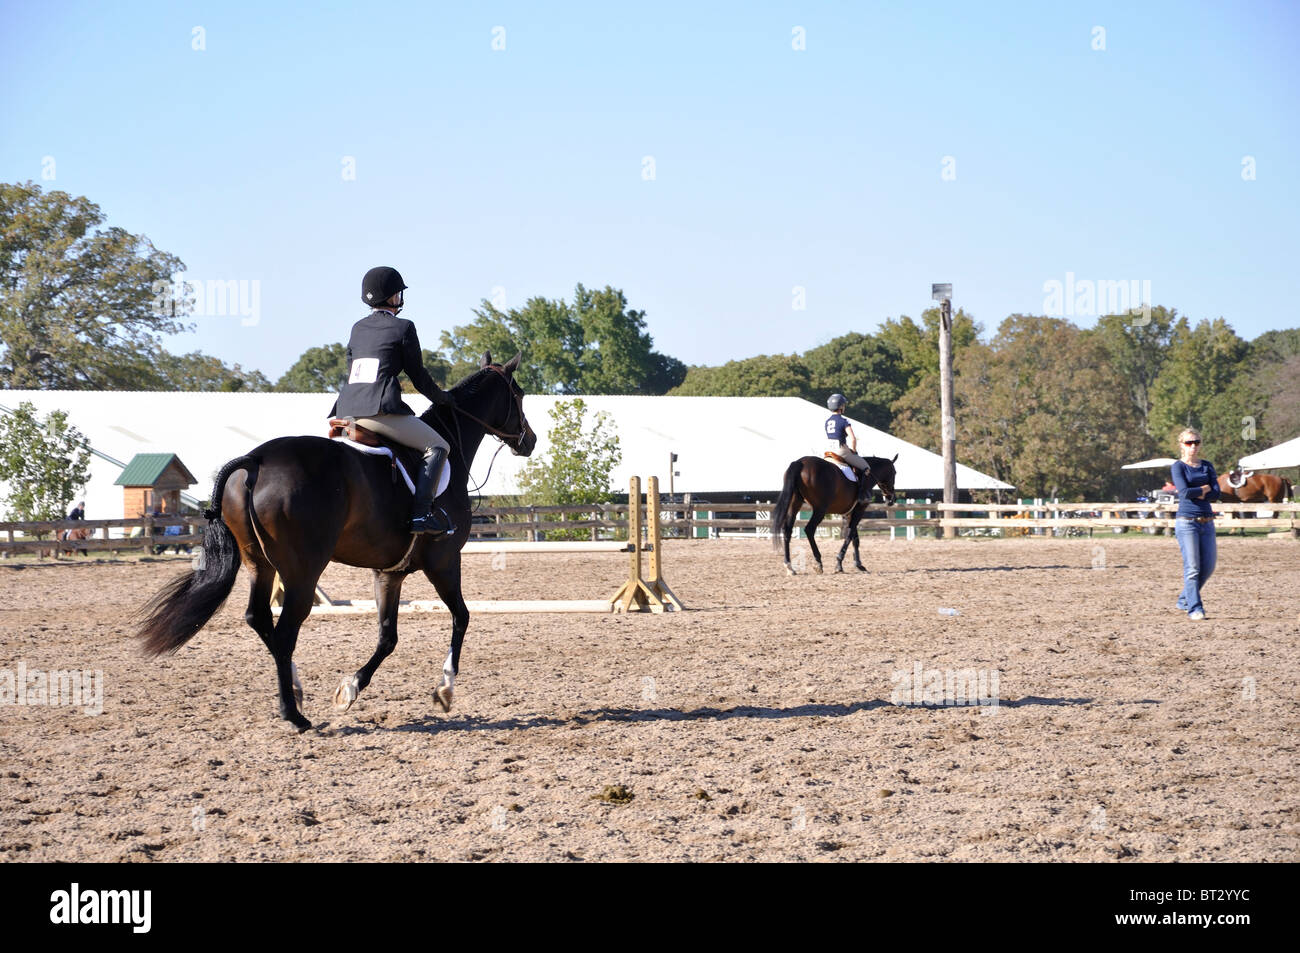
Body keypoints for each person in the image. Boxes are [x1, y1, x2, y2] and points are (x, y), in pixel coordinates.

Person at [330, 266, 456, 537]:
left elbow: (354, 369)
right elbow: (419, 377)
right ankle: (421, 515)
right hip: (378, 412)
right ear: (393, 297)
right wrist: (444, 399)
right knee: (438, 446)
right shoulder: (403, 327)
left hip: (347, 410)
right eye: (398, 293)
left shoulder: (357, 328)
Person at [1170, 428, 1219, 621]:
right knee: (1192, 568)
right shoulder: (1178, 467)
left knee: (1208, 567)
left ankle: (1184, 599)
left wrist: (1199, 490)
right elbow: (1183, 492)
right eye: (1189, 443)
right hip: (1187, 522)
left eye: (1196, 442)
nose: (1193, 446)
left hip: (1207, 521)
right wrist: (1204, 488)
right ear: (1181, 445)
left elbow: (1216, 493)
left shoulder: (1207, 466)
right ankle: (1195, 608)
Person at [824, 394, 871, 501]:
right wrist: (854, 451)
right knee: (866, 468)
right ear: (841, 406)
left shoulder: (827, 422)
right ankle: (861, 495)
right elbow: (853, 438)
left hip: (829, 451)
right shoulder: (844, 421)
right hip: (841, 451)